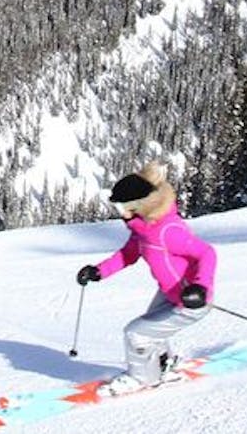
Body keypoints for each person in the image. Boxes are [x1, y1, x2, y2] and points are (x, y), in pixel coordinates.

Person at [75, 162, 216, 395]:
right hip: (171, 293)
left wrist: (200, 287)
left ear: (138, 205)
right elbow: (127, 254)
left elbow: (206, 253)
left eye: (121, 207)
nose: (119, 213)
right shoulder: (143, 230)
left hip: (191, 300)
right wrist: (98, 271)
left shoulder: (167, 230)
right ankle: (164, 365)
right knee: (150, 328)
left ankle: (141, 378)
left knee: (136, 334)